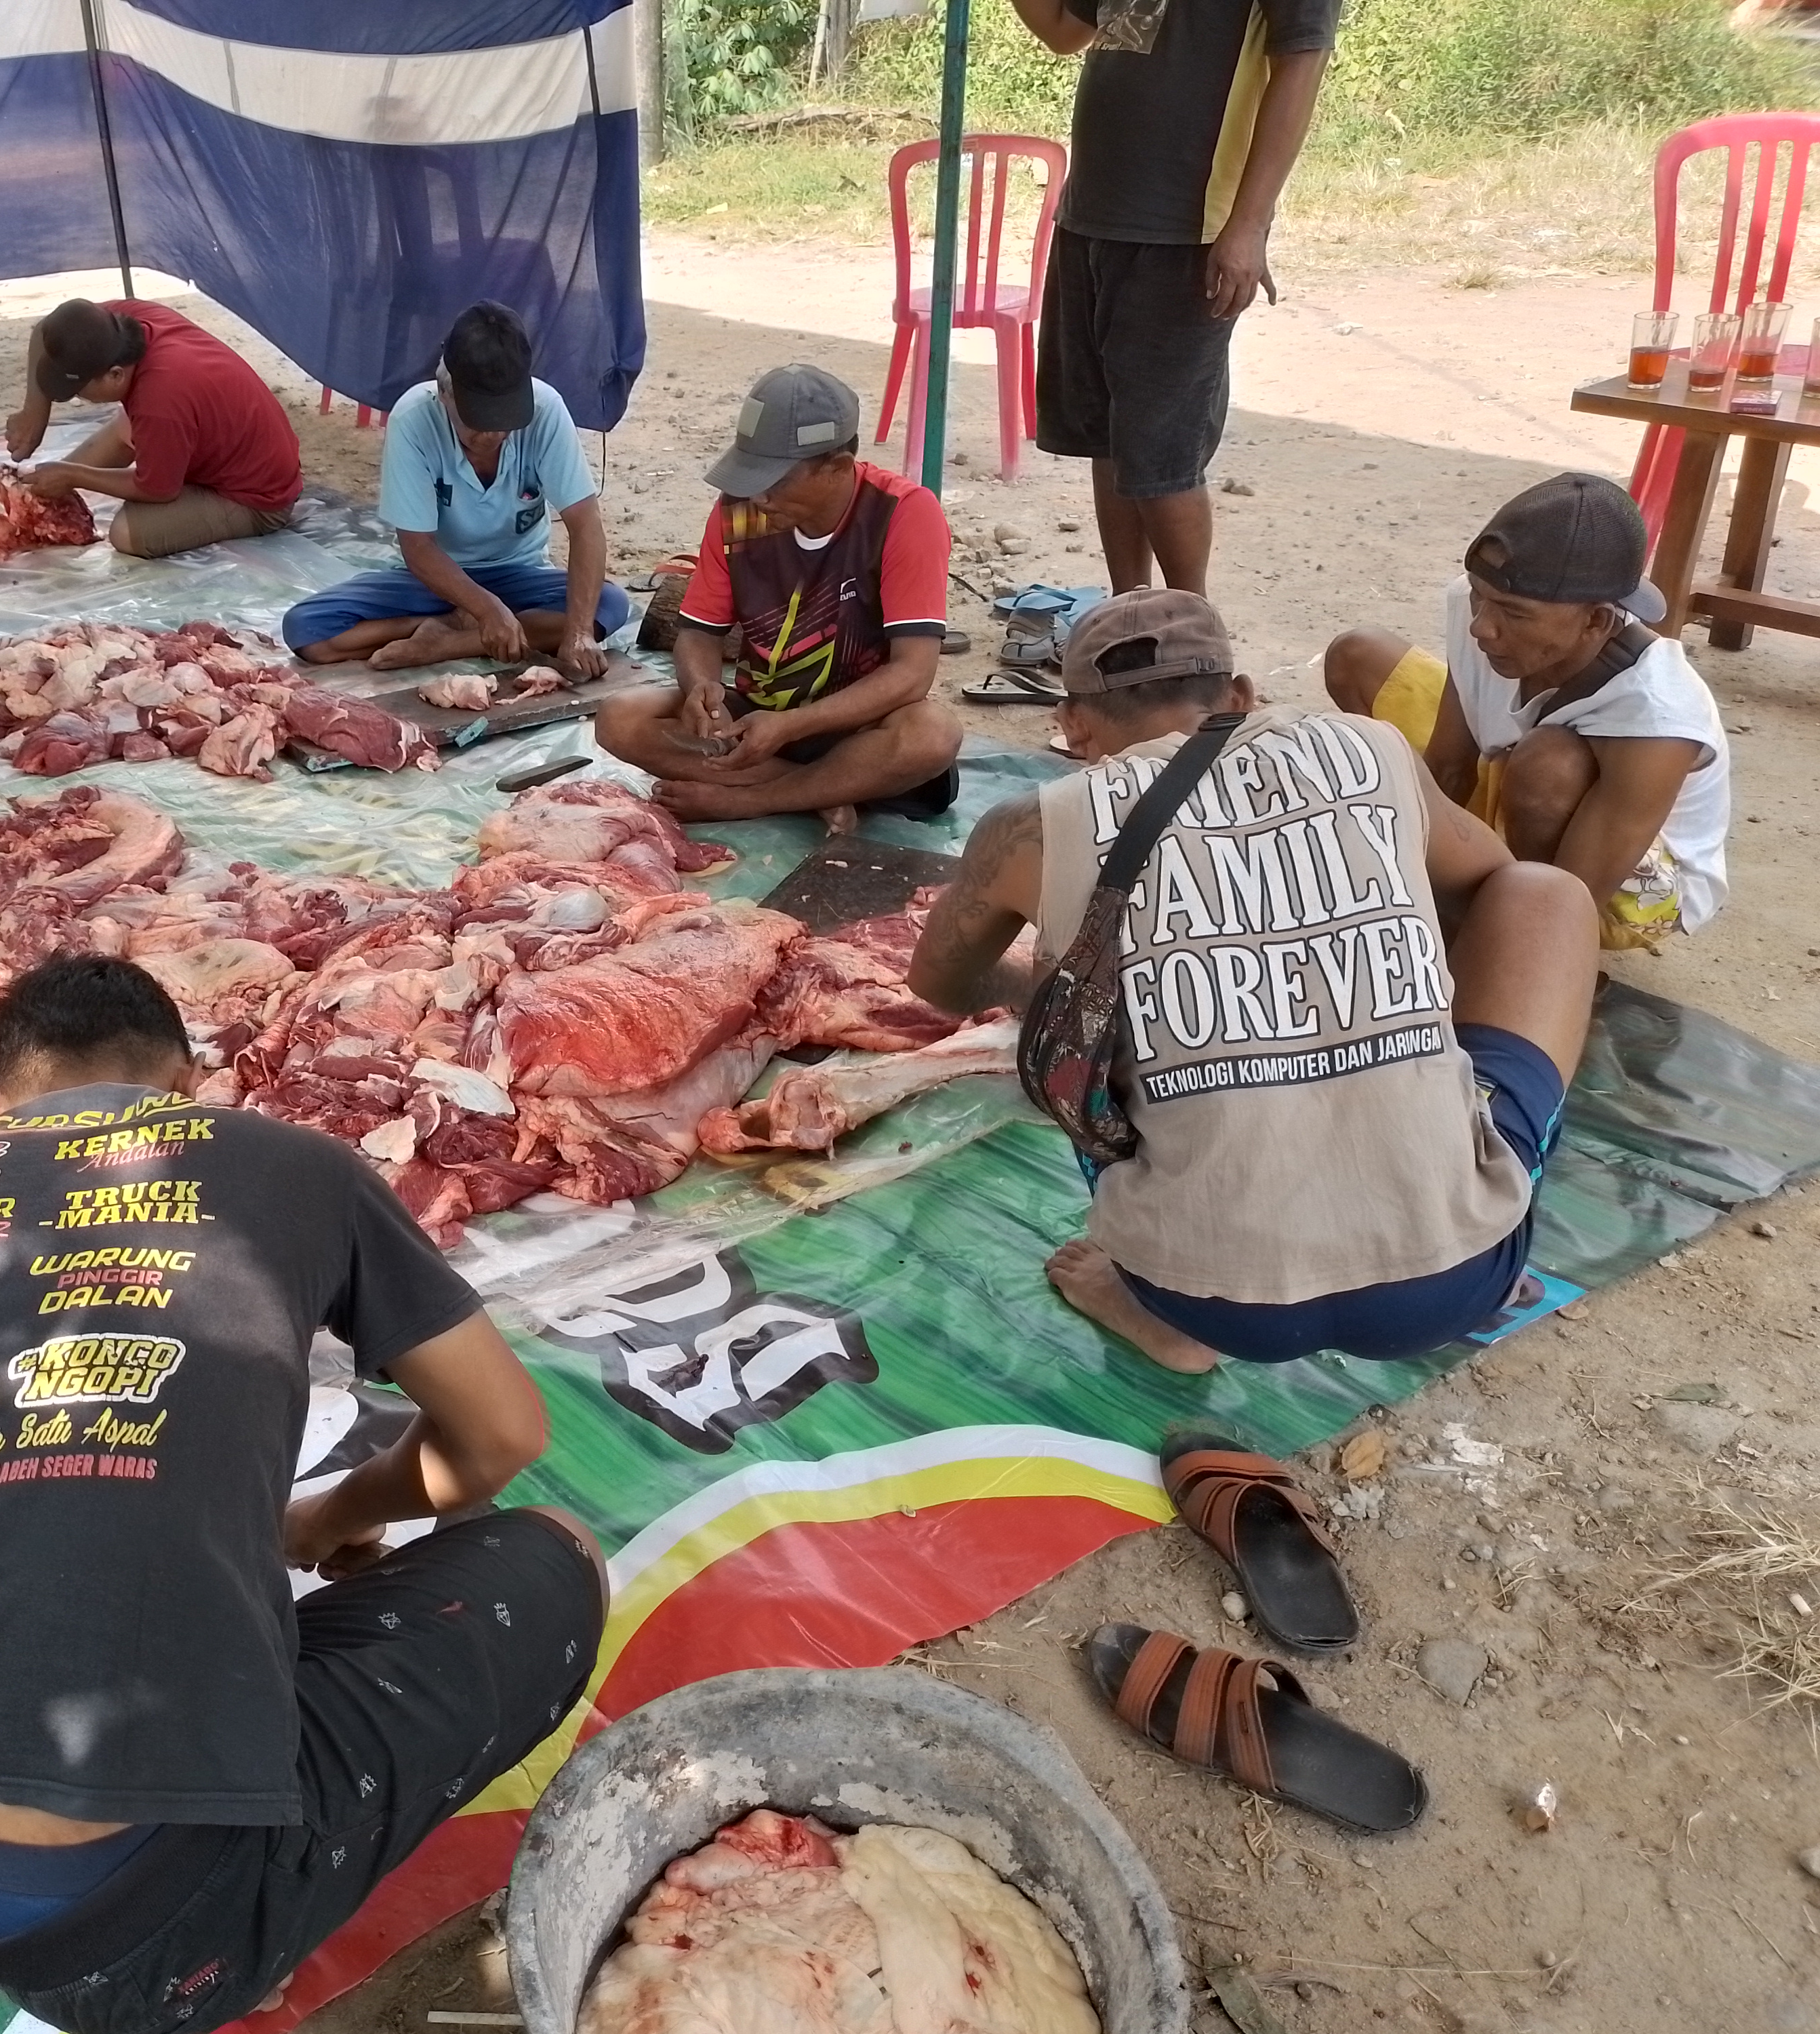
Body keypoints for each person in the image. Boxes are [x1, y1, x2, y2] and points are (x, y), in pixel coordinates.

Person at [0, 956, 603, 2033]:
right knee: (559, 1551)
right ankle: (252, 1938)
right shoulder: (296, 1164)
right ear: (189, 1083)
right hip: (150, 1936)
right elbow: (501, 1435)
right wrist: (335, 1517)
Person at [907, 589, 1599, 1374]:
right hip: (1452, 1285)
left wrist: (1062, 990)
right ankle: (1461, 1181)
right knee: (1550, 896)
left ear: (1072, 725)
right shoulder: (1367, 747)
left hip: (1199, 1294)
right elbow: (1492, 883)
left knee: (1079, 1026)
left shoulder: (1029, 826)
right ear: (1239, 695)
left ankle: (1149, 1310)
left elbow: (941, 983)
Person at [1324, 472, 1730, 953]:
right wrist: (1396, 890)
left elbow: (1569, 898)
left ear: (1596, 621)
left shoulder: (1656, 714)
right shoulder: (1482, 616)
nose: (1482, 628)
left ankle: (1513, 938)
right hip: (1510, 779)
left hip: (1624, 887)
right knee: (1360, 657)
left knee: (1548, 763)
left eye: (1513, 614)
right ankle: (1476, 893)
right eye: (1479, 595)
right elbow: (1449, 769)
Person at [1011, 0, 1339, 595]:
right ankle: (1128, 618)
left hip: (1185, 232)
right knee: (1108, 442)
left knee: (1162, 460)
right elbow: (1065, 31)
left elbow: (1301, 65)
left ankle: (1196, 639)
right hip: (1092, 216)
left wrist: (1248, 226)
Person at [596, 364, 962, 829]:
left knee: (932, 735)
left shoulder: (902, 513)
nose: (760, 497)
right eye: (751, 476)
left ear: (837, 468)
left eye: (775, 480)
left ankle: (752, 800)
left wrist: (790, 726)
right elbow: (698, 633)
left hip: (855, 729)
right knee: (618, 718)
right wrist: (702, 688)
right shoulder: (737, 510)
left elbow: (913, 674)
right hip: (756, 718)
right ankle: (816, 791)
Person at [281, 302, 625, 672]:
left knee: (608, 607)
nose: (494, 433)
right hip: (435, 582)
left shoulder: (546, 409)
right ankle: (438, 627)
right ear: (445, 394)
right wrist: (486, 609)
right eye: (479, 420)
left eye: (506, 419)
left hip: (519, 574)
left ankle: (450, 642)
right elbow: (418, 548)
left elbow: (585, 524)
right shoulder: (414, 418)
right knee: (307, 631)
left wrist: (577, 634)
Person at [3, 298, 302, 559]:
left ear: (116, 375)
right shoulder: (120, 322)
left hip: (258, 499)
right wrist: (35, 412)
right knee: (53, 482)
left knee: (127, 533)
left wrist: (76, 476)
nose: (80, 398)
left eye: (81, 391)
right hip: (213, 442)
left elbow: (157, 490)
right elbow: (47, 330)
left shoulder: (159, 399)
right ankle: (34, 501)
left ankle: (60, 483)